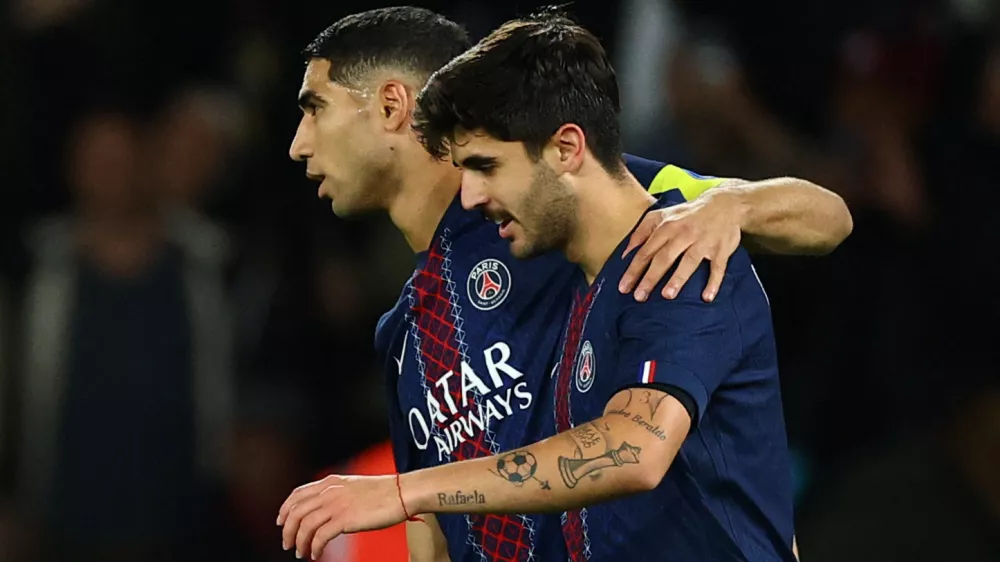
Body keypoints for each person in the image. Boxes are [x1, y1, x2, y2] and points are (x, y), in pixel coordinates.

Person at [280, 7, 851, 562]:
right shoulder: (405, 334)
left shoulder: (591, 216)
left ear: (390, 104)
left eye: (315, 108)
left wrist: (732, 202)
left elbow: (829, 217)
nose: (298, 144)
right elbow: (434, 533)